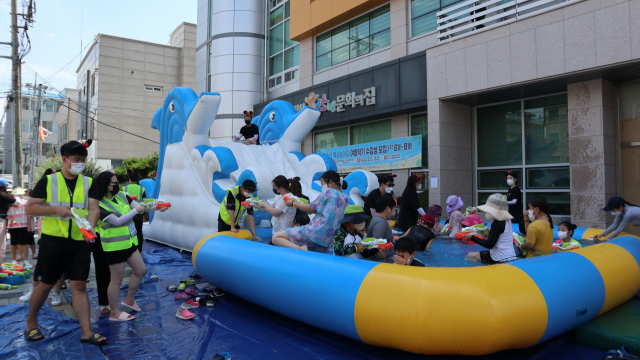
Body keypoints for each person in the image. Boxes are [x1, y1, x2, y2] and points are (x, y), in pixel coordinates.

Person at [23, 140, 108, 345]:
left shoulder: (89, 182)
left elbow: (94, 209)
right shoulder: (49, 181)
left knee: (79, 285)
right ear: (64, 159)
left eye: (83, 160)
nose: (80, 163)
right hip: (53, 242)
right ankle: (31, 323)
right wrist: (54, 209)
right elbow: (30, 208)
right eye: (76, 159)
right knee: (45, 284)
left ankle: (86, 332)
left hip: (80, 242)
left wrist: (91, 227)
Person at [94, 171, 167, 321]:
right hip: (114, 246)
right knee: (116, 280)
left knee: (141, 270)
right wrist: (136, 211)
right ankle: (114, 313)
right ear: (105, 185)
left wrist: (157, 208)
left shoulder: (121, 195)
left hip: (129, 242)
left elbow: (141, 207)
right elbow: (118, 221)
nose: (117, 185)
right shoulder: (98, 204)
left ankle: (129, 300)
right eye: (114, 183)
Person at [272, 170, 349, 252]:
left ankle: (300, 248)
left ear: (330, 182)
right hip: (328, 239)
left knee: (276, 238)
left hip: (314, 232)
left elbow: (311, 208)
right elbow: (330, 213)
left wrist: (293, 204)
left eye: (322, 184)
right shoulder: (346, 198)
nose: (322, 186)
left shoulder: (328, 191)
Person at [463, 193, 518, 264]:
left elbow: (489, 244)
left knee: (470, 256)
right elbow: (500, 237)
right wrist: (489, 235)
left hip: (500, 258)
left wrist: (472, 237)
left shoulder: (497, 223)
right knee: (473, 255)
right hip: (510, 255)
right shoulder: (507, 219)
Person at [124, 169, 146, 252]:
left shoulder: (124, 188)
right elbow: (144, 201)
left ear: (129, 178)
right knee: (139, 231)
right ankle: (139, 250)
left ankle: (129, 249)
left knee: (129, 232)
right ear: (137, 179)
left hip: (128, 213)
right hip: (139, 213)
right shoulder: (142, 189)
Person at [7, 188, 31, 266]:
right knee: (13, 243)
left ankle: (25, 260)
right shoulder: (9, 203)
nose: (17, 196)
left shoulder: (26, 202)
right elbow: (6, 213)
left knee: (24, 243)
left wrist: (29, 225)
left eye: (19, 195)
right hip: (12, 225)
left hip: (23, 225)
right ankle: (14, 259)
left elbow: (29, 214)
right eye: (16, 194)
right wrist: (10, 219)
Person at [0, 179, 20, 266]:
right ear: (4, 186)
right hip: (1, 219)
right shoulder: (4, 196)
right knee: (1, 244)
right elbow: (17, 202)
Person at [505, 170, 525, 235]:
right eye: (508, 178)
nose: (508, 179)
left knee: (516, 230)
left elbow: (514, 201)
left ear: (515, 179)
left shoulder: (516, 189)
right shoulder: (509, 189)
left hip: (516, 213)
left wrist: (505, 202)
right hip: (511, 212)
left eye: (510, 178)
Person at [24, 189, 37, 259]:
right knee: (25, 240)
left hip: (29, 224)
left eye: (26, 193)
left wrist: (29, 225)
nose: (25, 194)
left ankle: (34, 253)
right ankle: (32, 253)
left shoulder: (29, 201)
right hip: (23, 223)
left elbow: (29, 214)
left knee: (30, 239)